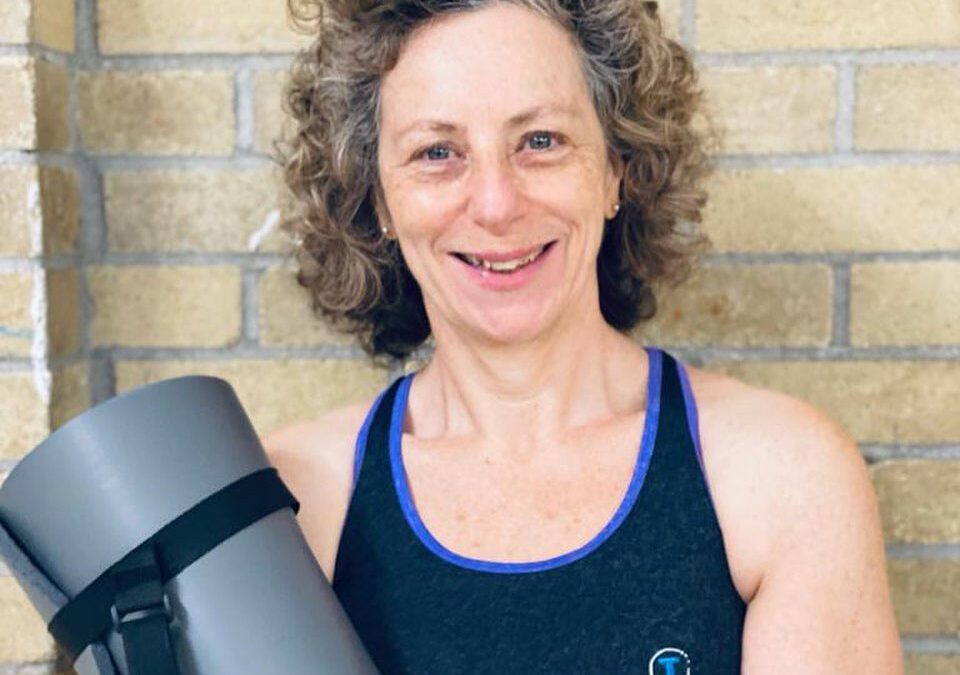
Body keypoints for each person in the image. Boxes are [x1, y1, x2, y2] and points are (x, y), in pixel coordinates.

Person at [263, 1, 904, 672]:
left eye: (540, 140)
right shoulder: (294, 497)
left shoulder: (783, 474)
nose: (496, 204)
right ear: (378, 201)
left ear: (615, 170)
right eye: (437, 152)